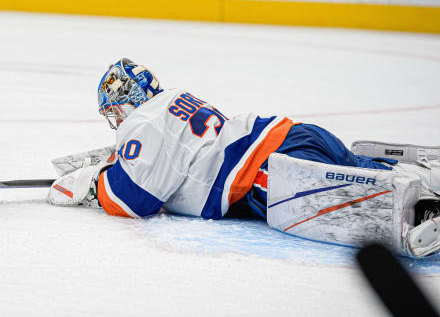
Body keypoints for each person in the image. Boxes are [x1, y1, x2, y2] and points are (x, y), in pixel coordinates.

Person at [46, 58, 440, 257]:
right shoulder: (172, 102)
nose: (116, 121)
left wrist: (93, 183)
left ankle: (424, 212)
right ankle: (425, 177)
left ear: (127, 101)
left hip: (273, 174)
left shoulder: (143, 121)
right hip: (295, 136)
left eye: (115, 111)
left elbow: (134, 201)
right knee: (366, 170)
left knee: (374, 205)